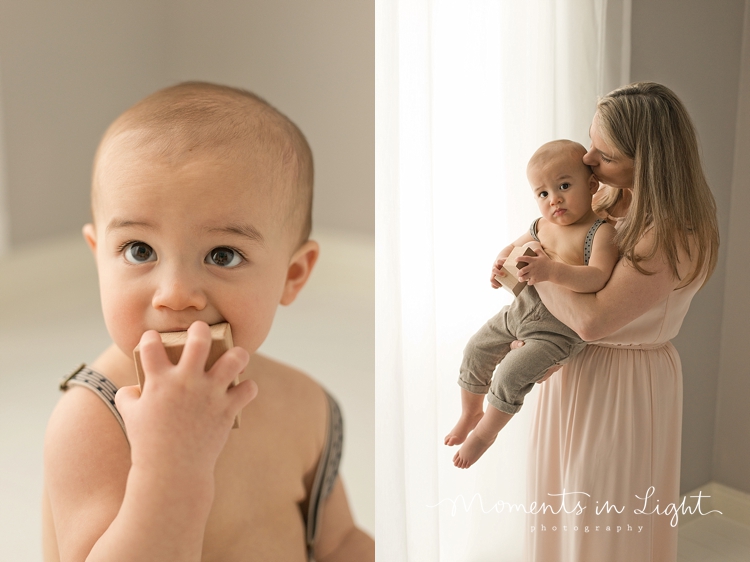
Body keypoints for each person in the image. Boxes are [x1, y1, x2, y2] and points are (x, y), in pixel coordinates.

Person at [42, 82, 374, 561]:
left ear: (293, 274)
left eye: (223, 254)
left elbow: (341, 542)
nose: (175, 294)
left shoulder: (305, 406)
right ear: (99, 258)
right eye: (140, 251)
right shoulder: (93, 419)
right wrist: (170, 465)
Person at [508, 82, 719, 561]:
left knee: (604, 528)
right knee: (561, 519)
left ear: (645, 161)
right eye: (589, 142)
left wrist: (531, 264)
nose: (586, 160)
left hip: (623, 387)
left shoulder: (673, 233)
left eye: (602, 154)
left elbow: (591, 320)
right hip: (570, 373)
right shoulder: (604, 204)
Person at [445, 140, 618, 469]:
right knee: (475, 349)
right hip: (518, 313)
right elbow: (512, 250)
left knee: (510, 374)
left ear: (592, 185)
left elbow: (597, 277)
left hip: (556, 332)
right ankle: (470, 412)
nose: (554, 200)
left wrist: (552, 271)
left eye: (564, 186)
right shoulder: (541, 227)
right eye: (543, 193)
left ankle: (484, 434)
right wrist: (500, 267)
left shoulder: (600, 233)